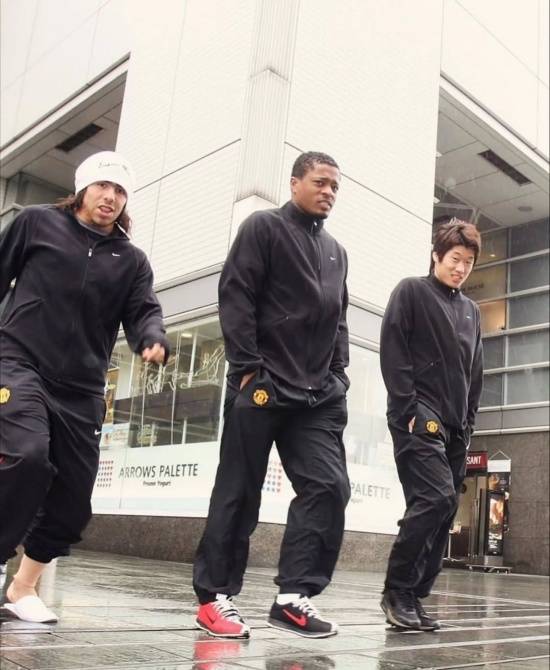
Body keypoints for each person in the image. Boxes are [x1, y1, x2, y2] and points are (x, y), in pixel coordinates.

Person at [0, 151, 169, 623]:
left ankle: (23, 588)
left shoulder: (131, 260)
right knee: (28, 455)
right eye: (102, 186)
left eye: (120, 191)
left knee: (74, 498)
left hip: (82, 387)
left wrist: (152, 338)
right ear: (82, 189)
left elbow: (143, 310)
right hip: (19, 363)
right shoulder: (36, 223)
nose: (110, 197)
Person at [192, 151, 351, 639]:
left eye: (335, 187)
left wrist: (339, 375)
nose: (328, 192)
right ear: (295, 182)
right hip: (264, 385)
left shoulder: (336, 252)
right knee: (239, 491)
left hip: (316, 395)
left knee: (329, 487)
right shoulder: (263, 228)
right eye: (320, 182)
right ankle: (215, 598)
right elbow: (236, 293)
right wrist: (246, 368)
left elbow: (338, 320)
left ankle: (292, 598)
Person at [379, 218, 483, 632]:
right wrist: (408, 408)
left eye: (469, 262)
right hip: (418, 416)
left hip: (456, 426)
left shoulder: (472, 311)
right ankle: (396, 591)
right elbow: (393, 350)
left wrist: (468, 423)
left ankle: (415, 595)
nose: (461, 268)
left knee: (444, 509)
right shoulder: (411, 291)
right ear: (437, 255)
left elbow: (475, 372)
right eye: (455, 258)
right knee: (435, 497)